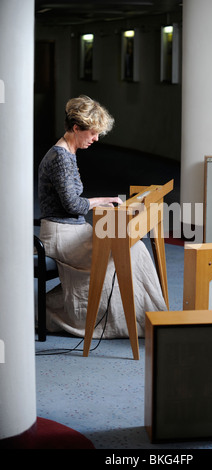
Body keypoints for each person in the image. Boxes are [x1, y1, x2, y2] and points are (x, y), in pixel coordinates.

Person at [38, 95, 166, 339]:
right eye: (93, 133)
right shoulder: (61, 158)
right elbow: (73, 205)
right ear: (76, 128)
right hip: (61, 236)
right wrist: (101, 200)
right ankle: (145, 319)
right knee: (129, 251)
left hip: (72, 230)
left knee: (131, 248)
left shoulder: (68, 153)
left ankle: (149, 316)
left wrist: (102, 201)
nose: (96, 139)